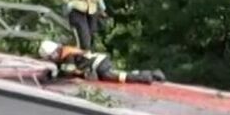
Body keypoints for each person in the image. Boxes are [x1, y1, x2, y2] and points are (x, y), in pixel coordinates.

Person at [35, 40, 163, 85]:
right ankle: (147, 74)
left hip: (98, 64)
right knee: (119, 74)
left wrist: (51, 77)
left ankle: (148, 76)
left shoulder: (68, 56)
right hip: (97, 63)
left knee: (114, 76)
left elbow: (68, 72)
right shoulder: (65, 54)